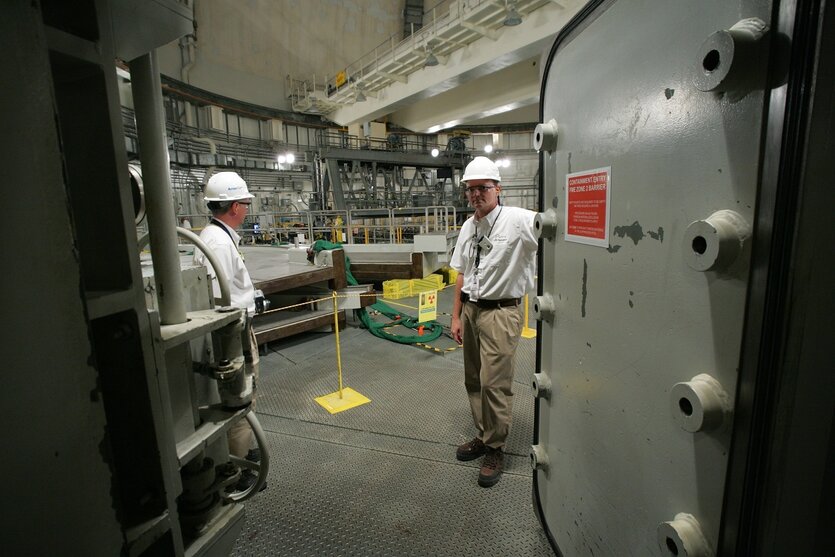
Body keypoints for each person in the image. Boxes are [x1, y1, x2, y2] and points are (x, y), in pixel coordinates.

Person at [449, 156, 538, 488]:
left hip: (501, 312)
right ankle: (484, 436)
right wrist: (456, 316)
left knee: (494, 383)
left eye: (483, 188)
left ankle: (496, 448)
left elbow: (555, 228)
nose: (476, 194)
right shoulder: (468, 226)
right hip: (471, 310)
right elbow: (460, 273)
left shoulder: (518, 220)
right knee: (473, 380)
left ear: (498, 188)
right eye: (470, 189)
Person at [193, 171, 264, 492]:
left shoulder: (215, 237)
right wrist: (247, 307)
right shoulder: (219, 243)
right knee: (240, 397)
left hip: (232, 327)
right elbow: (217, 296)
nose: (247, 209)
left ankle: (245, 455)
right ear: (235, 207)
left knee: (241, 394)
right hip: (231, 333)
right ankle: (241, 472)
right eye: (245, 204)